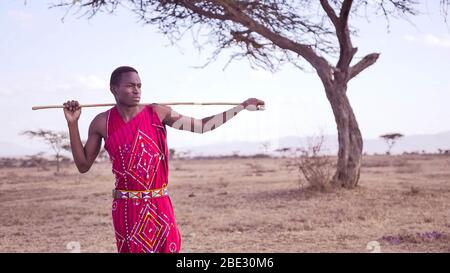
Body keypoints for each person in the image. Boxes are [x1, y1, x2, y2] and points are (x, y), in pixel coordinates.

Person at [63, 66, 265, 253]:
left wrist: (240, 107)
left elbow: (202, 126)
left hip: (159, 204)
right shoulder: (102, 122)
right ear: (113, 89)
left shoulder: (158, 112)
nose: (137, 90)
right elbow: (83, 165)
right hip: (126, 209)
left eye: (139, 86)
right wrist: (73, 124)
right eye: (130, 85)